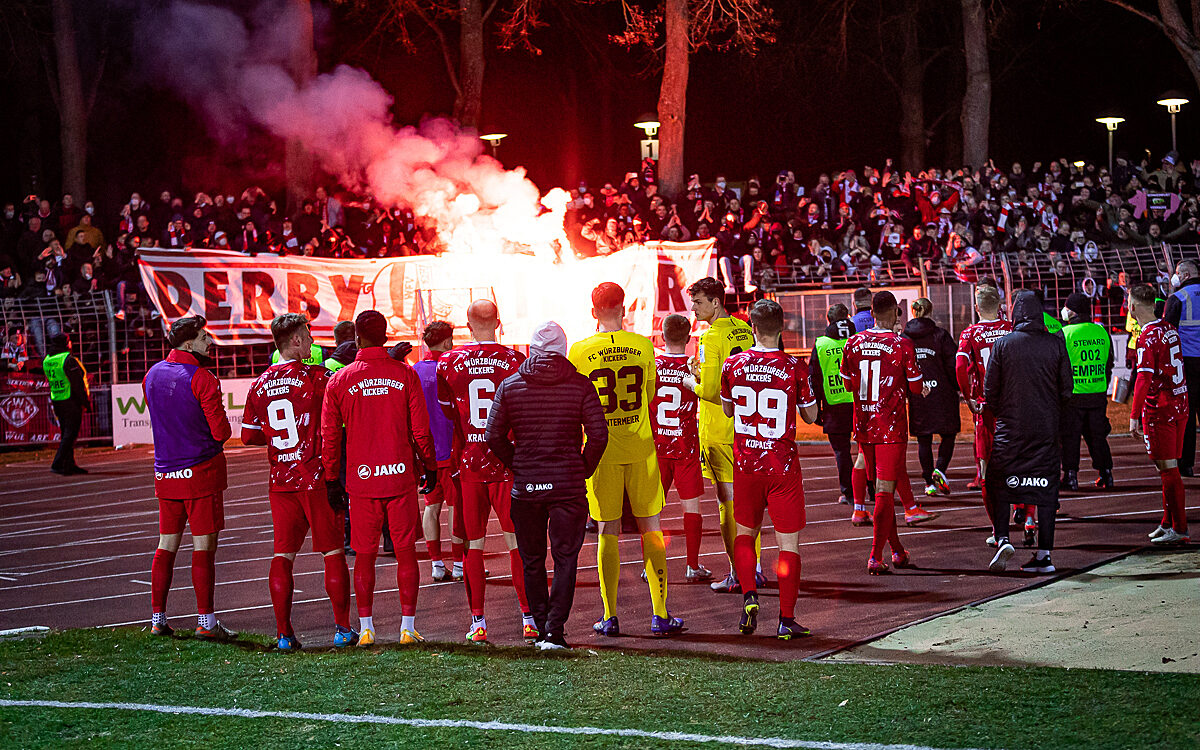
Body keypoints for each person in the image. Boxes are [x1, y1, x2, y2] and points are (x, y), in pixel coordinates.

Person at [485, 321, 609, 650]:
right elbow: (598, 435)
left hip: (527, 486)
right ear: (563, 350)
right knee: (566, 558)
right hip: (568, 484)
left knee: (532, 558)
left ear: (533, 350)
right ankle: (555, 631)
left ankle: (541, 627)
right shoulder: (581, 386)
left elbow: (492, 436)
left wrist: (518, 463)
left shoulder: (511, 384)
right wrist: (582, 467)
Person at [570, 282, 683, 637]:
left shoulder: (580, 350)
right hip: (641, 449)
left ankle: (610, 615)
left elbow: (577, 404)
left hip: (601, 452)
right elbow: (649, 394)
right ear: (624, 309)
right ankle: (660, 614)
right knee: (651, 529)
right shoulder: (643, 345)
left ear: (593, 312)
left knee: (607, 531)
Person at [320, 310, 436, 646]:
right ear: (386, 336)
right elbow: (420, 429)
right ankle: (407, 627)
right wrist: (429, 464)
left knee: (365, 555)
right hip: (399, 476)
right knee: (405, 553)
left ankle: (367, 628)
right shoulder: (404, 374)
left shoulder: (339, 380)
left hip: (362, 480)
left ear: (355, 338)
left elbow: (330, 435)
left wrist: (331, 478)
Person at [240, 313, 353, 651]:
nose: (312, 341)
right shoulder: (318, 377)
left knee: (283, 555)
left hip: (281, 481)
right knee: (332, 552)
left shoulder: (259, 384)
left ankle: (284, 634)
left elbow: (248, 436)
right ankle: (343, 629)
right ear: (294, 342)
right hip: (316, 478)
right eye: (307, 334)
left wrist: (278, 440)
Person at [436, 300, 535, 643]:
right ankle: (529, 617)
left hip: (471, 463)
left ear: (466, 322)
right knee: (516, 544)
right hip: (507, 463)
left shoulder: (448, 362)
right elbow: (524, 413)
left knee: (473, 546)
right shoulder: (515, 361)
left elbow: (451, 413)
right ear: (499, 321)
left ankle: (478, 622)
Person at [722, 299, 818, 639]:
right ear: (782, 329)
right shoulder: (794, 367)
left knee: (746, 533)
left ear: (752, 327)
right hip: (781, 466)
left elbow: (728, 411)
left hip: (747, 463)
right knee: (787, 544)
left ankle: (749, 594)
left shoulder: (732, 365)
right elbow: (811, 417)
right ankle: (786, 619)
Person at [143, 316, 235, 639]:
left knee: (165, 545)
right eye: (204, 336)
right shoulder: (203, 379)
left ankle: (157, 619)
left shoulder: (151, 375)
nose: (210, 341)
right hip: (201, 473)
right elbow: (221, 431)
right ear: (188, 344)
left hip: (165, 473)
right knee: (204, 548)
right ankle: (206, 623)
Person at [983, 290, 1074, 574]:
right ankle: (1045, 555)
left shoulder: (1003, 345)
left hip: (1010, 430)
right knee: (1046, 491)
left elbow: (989, 392)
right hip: (1046, 430)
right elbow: (1066, 389)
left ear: (1015, 313)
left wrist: (1006, 414)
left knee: (999, 484)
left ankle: (1003, 539)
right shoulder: (1056, 343)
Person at [840, 292, 930, 574]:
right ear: (893, 312)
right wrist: (920, 386)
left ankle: (897, 551)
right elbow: (915, 388)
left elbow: (846, 384)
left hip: (864, 423)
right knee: (883, 493)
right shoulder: (901, 343)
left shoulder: (853, 342)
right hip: (890, 425)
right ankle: (876, 555)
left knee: (883, 491)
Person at [687, 276, 761, 594]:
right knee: (749, 500)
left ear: (716, 302)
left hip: (719, 429)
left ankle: (737, 572)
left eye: (699, 302)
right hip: (749, 424)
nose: (694, 308)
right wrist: (700, 370)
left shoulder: (710, 337)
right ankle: (754, 567)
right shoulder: (745, 328)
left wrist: (690, 382)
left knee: (727, 502)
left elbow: (714, 391)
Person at [650, 313, 710, 581]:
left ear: (662, 336)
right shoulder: (694, 366)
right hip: (685, 445)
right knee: (692, 509)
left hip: (656, 446)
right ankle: (692, 565)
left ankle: (650, 566)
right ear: (688, 339)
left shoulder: (651, 364)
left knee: (652, 512)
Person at [1129, 284, 1191, 545]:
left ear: (1132, 307)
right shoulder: (1169, 328)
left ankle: (1180, 528)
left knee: (1168, 470)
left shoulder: (1147, 336)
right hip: (1180, 404)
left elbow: (1144, 377)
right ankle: (1167, 523)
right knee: (1169, 466)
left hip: (1160, 409)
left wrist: (1134, 414)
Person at [956, 284, 1013, 543]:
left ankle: (997, 530)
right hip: (1014, 406)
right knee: (1023, 462)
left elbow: (960, 367)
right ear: (1000, 306)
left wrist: (968, 396)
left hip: (986, 408)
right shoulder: (1011, 328)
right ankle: (1029, 514)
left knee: (987, 470)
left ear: (977, 308)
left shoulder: (970, 333)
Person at [412, 321, 464, 584]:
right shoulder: (451, 368)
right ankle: (458, 564)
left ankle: (435, 564)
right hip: (452, 451)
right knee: (456, 507)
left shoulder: (414, 371)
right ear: (446, 342)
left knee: (431, 507)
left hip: (427, 455)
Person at [1058, 292, 1115, 491]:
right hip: (1098, 393)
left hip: (1073, 396)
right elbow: (1109, 363)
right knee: (1097, 437)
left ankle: (1071, 476)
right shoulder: (1101, 332)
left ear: (1071, 311)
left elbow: (1059, 366)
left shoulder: (1065, 334)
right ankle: (1106, 474)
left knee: (1070, 438)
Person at [903, 298, 958, 498]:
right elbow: (953, 365)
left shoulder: (905, 338)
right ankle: (940, 470)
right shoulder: (940, 335)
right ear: (931, 311)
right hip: (943, 393)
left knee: (923, 440)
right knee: (949, 434)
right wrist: (957, 387)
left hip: (918, 394)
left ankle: (929, 482)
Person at [808, 304, 856, 506]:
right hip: (859, 401)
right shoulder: (857, 339)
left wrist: (817, 408)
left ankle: (849, 492)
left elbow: (814, 379)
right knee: (866, 450)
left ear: (829, 321)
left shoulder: (821, 343)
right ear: (847, 318)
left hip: (833, 404)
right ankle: (871, 489)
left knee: (842, 452)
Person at [1163, 259, 1200, 476]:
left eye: (1177, 272)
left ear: (1184, 275)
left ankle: (1186, 464)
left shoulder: (1177, 298)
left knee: (1186, 414)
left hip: (1186, 363)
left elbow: (1167, 333)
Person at [43, 333, 89, 476]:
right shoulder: (67, 360)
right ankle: (58, 462)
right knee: (71, 434)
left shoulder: (48, 359)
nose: (70, 344)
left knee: (66, 433)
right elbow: (77, 383)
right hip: (71, 400)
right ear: (65, 343)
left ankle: (69, 464)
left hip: (57, 399)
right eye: (69, 341)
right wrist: (85, 402)